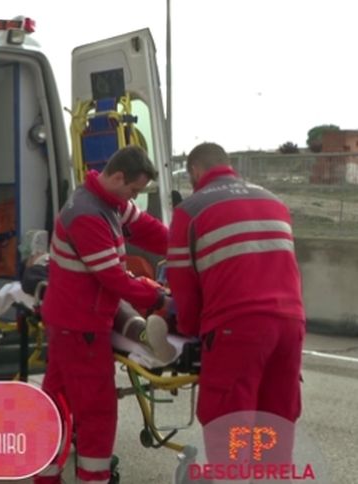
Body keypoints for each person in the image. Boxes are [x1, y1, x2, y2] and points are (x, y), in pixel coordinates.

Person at [35, 146, 171, 484]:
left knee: (57, 401)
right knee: (96, 410)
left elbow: (148, 229)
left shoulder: (109, 202)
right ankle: (93, 478)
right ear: (118, 177)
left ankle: (47, 475)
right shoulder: (87, 214)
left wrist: (182, 249)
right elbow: (111, 276)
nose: (134, 198)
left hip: (72, 320)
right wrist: (157, 297)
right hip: (80, 325)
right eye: (135, 190)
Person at [165, 142, 305, 460]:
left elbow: (183, 285)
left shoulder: (190, 210)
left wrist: (189, 328)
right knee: (276, 418)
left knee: (230, 422)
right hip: (290, 324)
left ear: (196, 171)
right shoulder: (273, 201)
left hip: (237, 328)